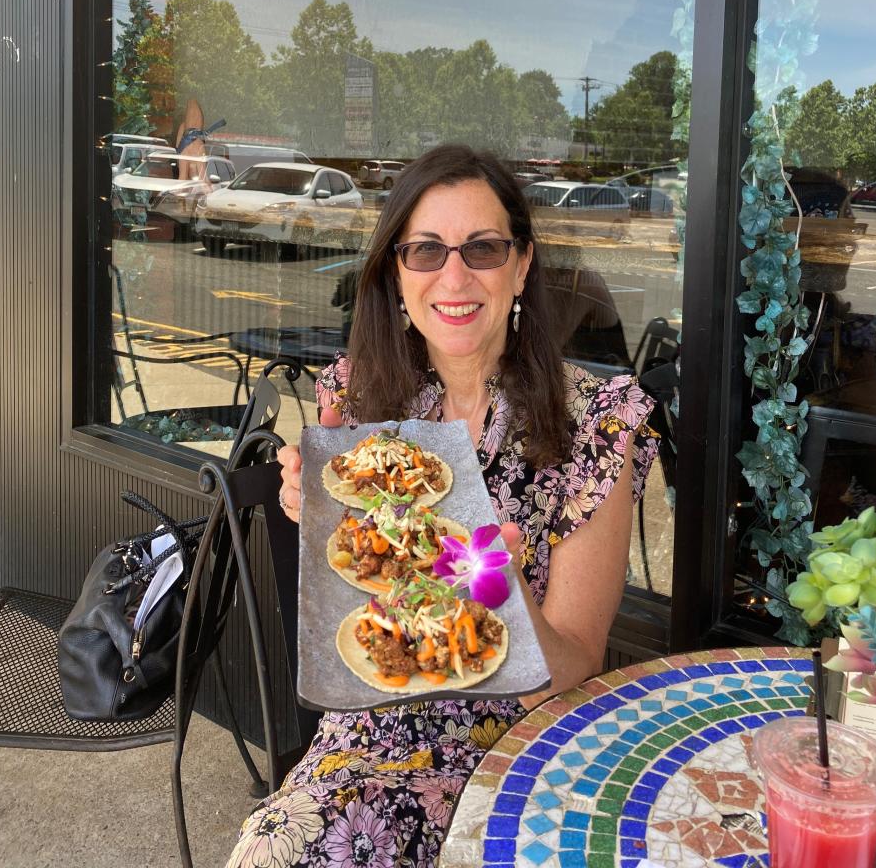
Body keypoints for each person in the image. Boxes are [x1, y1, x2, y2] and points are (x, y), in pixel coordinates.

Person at [226, 144, 659, 868]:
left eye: (482, 249)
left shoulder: (598, 423)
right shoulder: (360, 392)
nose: (453, 276)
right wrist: (311, 515)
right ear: (396, 274)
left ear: (521, 266)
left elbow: (572, 673)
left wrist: (506, 589)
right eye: (425, 250)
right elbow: (346, 609)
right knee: (278, 849)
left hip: (514, 754)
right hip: (364, 734)